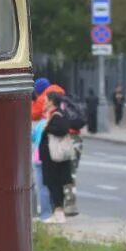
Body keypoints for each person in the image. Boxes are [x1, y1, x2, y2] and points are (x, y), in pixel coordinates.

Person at [39, 92, 75, 224]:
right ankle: (57, 212)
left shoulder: (57, 115)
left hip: (54, 158)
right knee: (54, 184)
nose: (44, 102)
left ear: (51, 101)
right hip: (52, 157)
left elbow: (62, 129)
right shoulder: (55, 114)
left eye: (46, 100)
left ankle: (58, 212)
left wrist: (47, 128)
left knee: (54, 184)